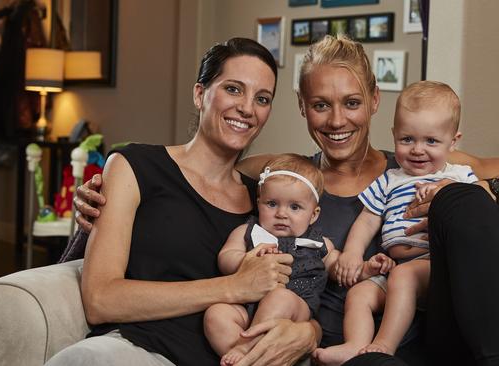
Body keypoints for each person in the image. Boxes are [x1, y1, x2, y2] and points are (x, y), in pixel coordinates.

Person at [69, 35, 499, 366]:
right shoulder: (282, 178)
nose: (336, 121)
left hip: (437, 335)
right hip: (350, 356)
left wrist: (485, 189)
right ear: (303, 108)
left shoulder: (419, 161)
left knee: (460, 198)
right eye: (320, 105)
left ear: (373, 101)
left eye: (351, 103)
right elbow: (197, 175)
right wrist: (102, 197)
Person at [45, 38, 322, 366]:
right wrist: (232, 286)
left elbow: (311, 277)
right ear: (199, 93)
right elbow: (99, 299)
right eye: (233, 89)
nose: (247, 108)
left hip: (233, 356)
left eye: (262, 98)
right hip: (140, 350)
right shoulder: (135, 166)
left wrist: (311, 332)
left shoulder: (266, 199)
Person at [315, 80, 477, 364]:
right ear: (394, 136)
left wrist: (448, 192)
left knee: (404, 277)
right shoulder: (390, 180)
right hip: (397, 269)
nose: (417, 150)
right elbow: (368, 219)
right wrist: (352, 253)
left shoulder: (458, 176)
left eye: (431, 141)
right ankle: (355, 345)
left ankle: (384, 346)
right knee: (360, 293)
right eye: (407, 139)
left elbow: (480, 213)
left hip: (436, 268)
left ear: (454, 141)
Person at [205, 154, 394, 365]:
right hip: (247, 307)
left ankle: (247, 350)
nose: (282, 214)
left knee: (279, 297)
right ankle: (248, 358)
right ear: (259, 203)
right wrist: (246, 260)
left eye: (294, 207)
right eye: (272, 204)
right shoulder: (249, 232)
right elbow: (225, 257)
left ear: (313, 215)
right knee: (216, 314)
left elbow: (340, 267)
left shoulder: (317, 243)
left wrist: (367, 268)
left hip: (294, 309)